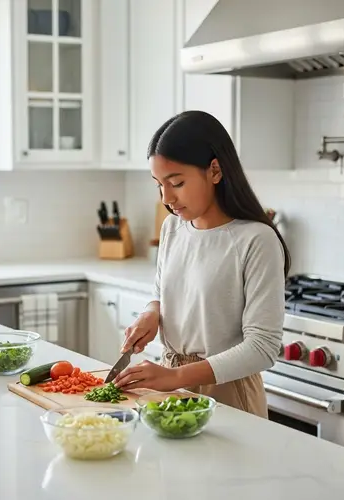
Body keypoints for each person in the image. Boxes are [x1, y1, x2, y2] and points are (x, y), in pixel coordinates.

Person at [114, 110, 291, 418]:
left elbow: (263, 347)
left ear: (215, 170)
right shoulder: (172, 228)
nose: (166, 197)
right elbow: (162, 293)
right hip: (171, 388)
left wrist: (176, 377)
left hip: (228, 393)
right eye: (159, 184)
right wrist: (150, 314)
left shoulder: (256, 239)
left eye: (177, 182)